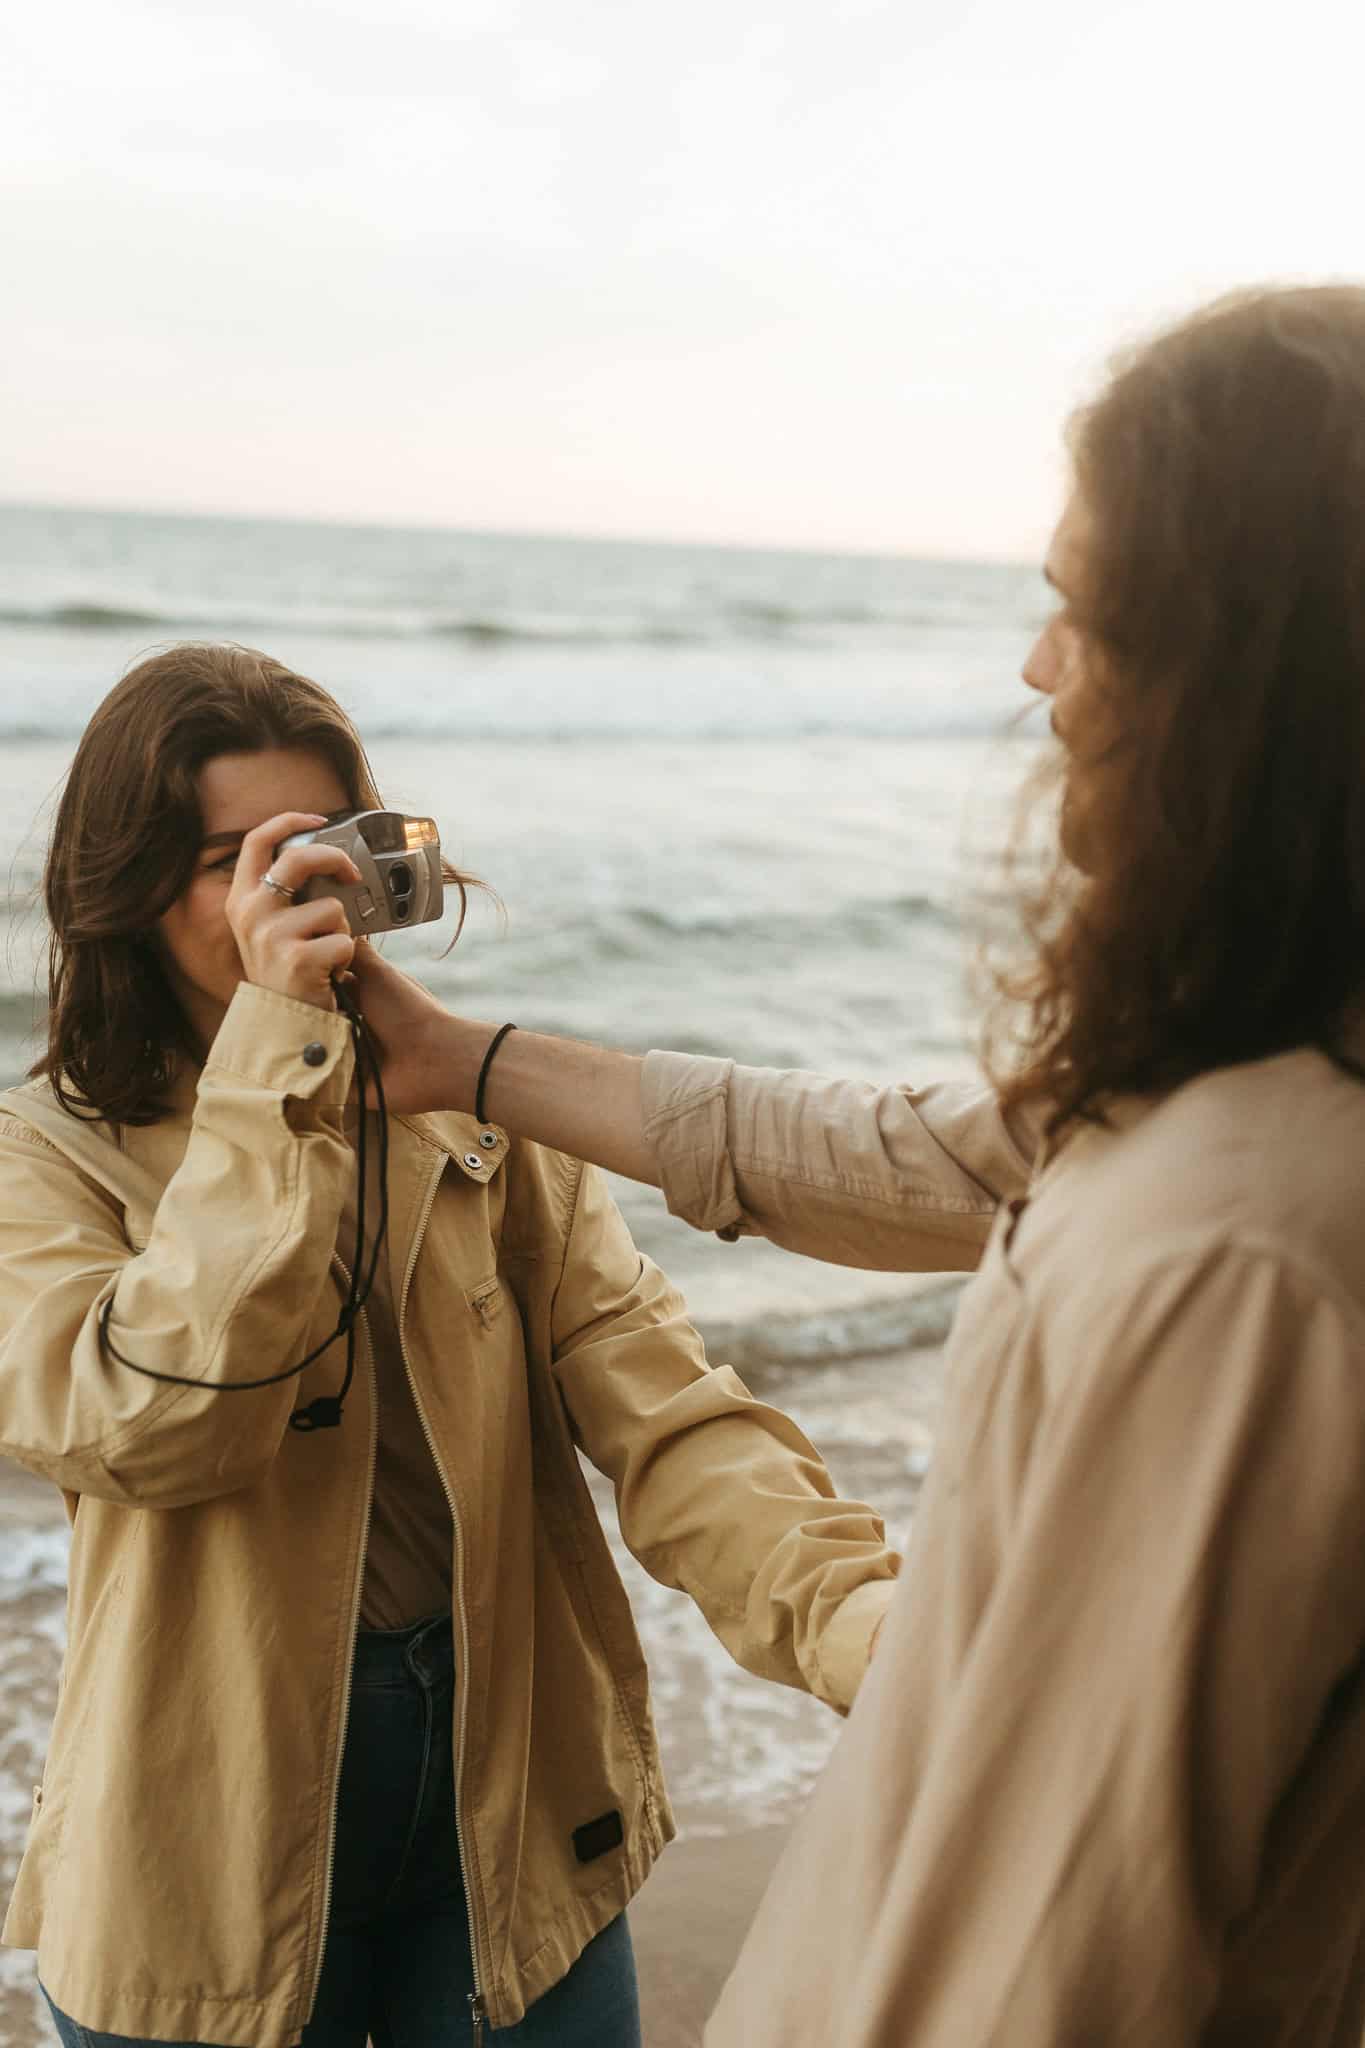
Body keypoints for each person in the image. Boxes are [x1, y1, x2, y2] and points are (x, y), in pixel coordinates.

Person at [343, 283, 1365, 2046]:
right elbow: (890, 1155)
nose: (1037, 675)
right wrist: (464, 1061)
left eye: (1078, 609)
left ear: (1244, 674)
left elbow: (1055, 1941)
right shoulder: (1239, 1090)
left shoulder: (1233, 1249)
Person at [0, 644, 901, 2048]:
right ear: (124, 889)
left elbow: (668, 1414)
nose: (295, 893)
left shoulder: (476, 1109)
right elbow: (142, 1425)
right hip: (198, 1840)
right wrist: (267, 1077)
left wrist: (868, 1630)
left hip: (511, 1799)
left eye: (320, 847)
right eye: (233, 860)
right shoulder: (41, 1154)